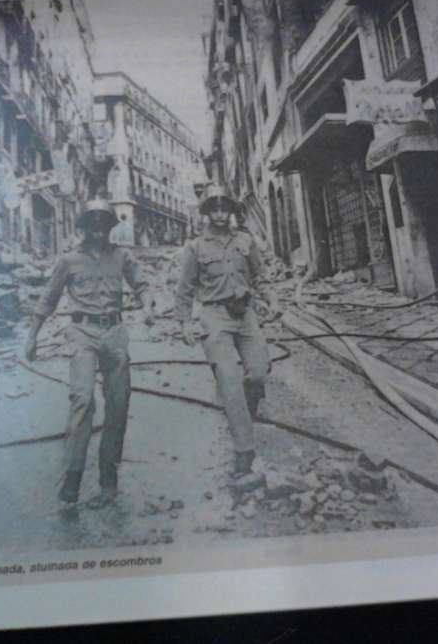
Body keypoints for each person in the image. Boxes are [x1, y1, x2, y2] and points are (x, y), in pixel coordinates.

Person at [25, 199, 155, 508]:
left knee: (119, 403)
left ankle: (108, 477)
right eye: (93, 224)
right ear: (84, 226)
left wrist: (149, 303)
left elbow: (142, 284)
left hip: (114, 333)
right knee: (82, 400)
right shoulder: (69, 261)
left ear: (111, 227)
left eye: (104, 224)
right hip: (82, 332)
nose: (99, 230)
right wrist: (32, 337)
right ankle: (72, 477)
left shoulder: (122, 255)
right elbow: (48, 299)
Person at [174, 185, 280, 478]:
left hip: (245, 313)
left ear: (231, 211)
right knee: (230, 379)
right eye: (214, 209)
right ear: (207, 212)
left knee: (258, 371)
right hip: (214, 315)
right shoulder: (196, 247)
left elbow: (260, 276)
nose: (220, 215)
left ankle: (244, 413)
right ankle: (244, 450)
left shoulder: (245, 241)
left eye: (225, 209)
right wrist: (184, 322)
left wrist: (272, 299)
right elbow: (184, 290)